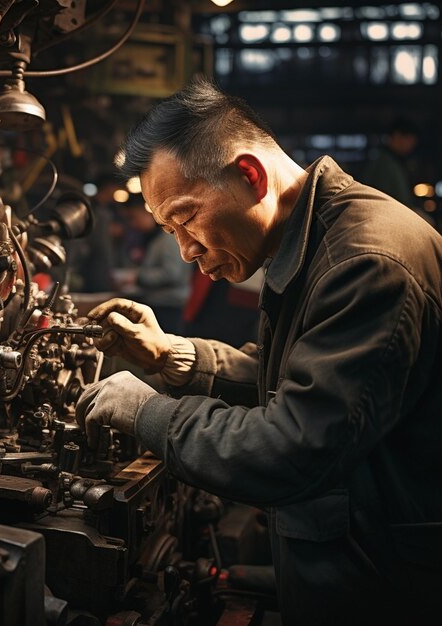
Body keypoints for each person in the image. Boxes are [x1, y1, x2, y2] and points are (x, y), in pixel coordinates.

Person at [75, 77, 442, 626]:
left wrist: (146, 412)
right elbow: (291, 380)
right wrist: (170, 357)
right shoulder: (316, 235)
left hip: (381, 583)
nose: (185, 250)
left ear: (248, 174)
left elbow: (292, 446)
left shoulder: (366, 262)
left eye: (186, 218)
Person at [120, 195, 192, 334]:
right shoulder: (157, 237)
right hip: (162, 302)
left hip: (168, 305)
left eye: (133, 217)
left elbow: (171, 274)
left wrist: (138, 277)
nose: (133, 224)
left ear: (148, 212)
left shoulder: (168, 239)